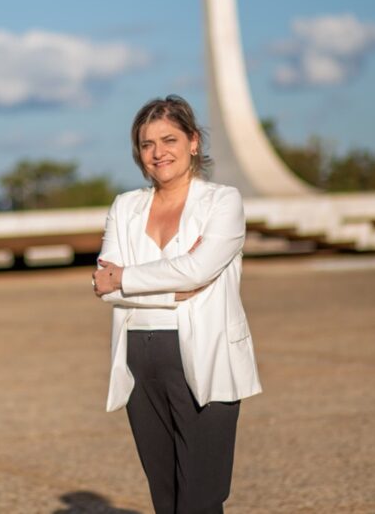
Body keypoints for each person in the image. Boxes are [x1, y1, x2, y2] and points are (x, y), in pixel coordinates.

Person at [92, 95, 261, 514]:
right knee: (166, 499)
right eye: (147, 144)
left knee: (201, 498)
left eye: (169, 139)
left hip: (206, 358)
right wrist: (174, 284)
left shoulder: (223, 201)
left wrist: (130, 277)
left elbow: (198, 269)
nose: (158, 152)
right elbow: (104, 285)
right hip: (139, 360)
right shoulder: (125, 206)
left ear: (193, 142)